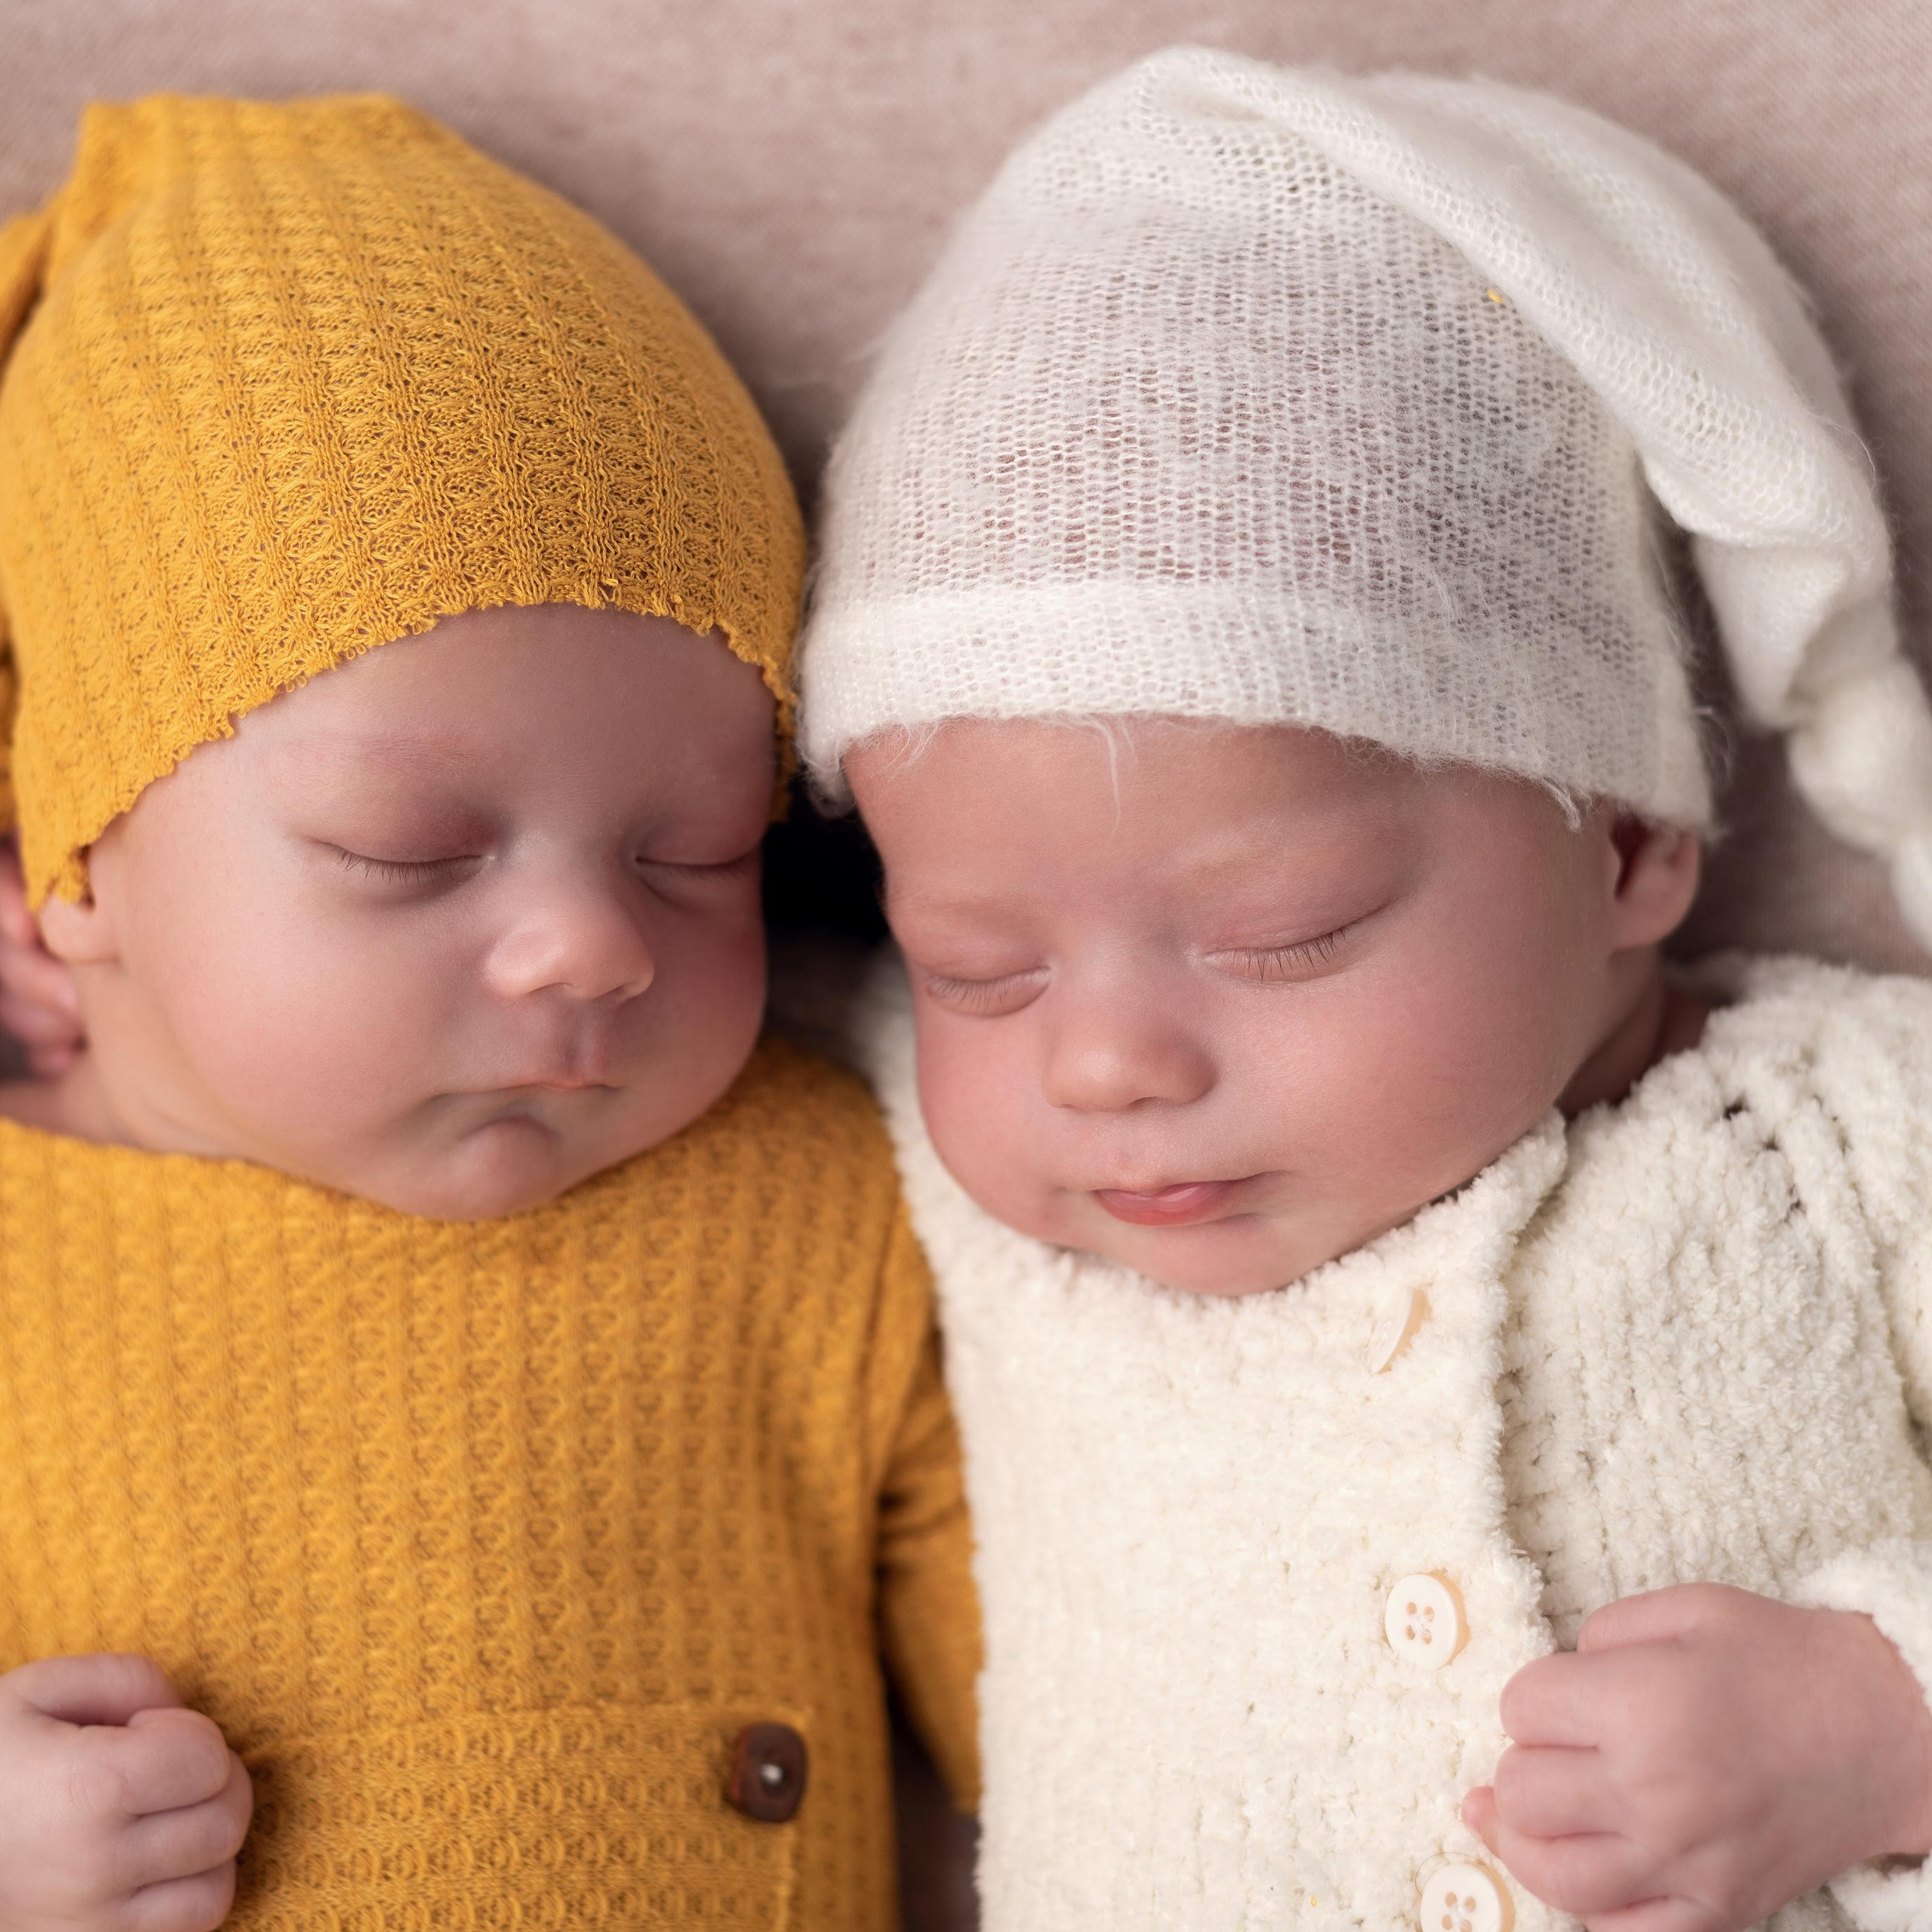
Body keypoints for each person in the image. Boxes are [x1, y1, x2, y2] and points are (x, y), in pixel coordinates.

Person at [792, 50, 1932, 1932]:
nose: (1102, 1060)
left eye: (1281, 930)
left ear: (1628, 841)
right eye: (977, 968)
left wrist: (1878, 1721)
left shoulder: (1843, 1127)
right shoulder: (913, 1149)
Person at [0, 94, 976, 1932]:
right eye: (410, 850)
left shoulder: (820, 1203)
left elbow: (1084, 1692)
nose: (592, 948)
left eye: (698, 854)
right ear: (78, 859)